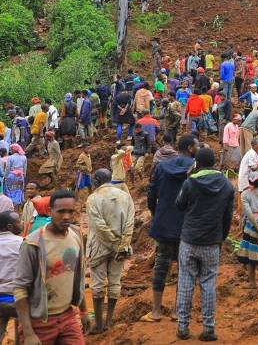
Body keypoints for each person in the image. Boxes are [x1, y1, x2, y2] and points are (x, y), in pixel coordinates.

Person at [14, 189, 91, 344]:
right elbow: (20, 288)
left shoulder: (76, 236)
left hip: (68, 317)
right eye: (61, 212)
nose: (66, 216)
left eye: (71, 211)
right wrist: (28, 333)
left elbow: (78, 277)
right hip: (40, 322)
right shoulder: (33, 243)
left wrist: (83, 311)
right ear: (50, 211)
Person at [175, 147, 235, 341]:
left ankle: (183, 327)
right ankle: (208, 328)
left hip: (189, 240)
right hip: (212, 242)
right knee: (209, 284)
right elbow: (228, 217)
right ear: (214, 163)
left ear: (197, 163)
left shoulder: (190, 182)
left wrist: (188, 178)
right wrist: (221, 237)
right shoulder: (226, 185)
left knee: (186, 282)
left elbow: (179, 205)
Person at [143, 134, 196, 323]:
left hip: (164, 222)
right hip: (187, 225)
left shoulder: (162, 166)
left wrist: (156, 213)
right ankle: (177, 311)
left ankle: (156, 311)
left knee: (161, 266)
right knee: (184, 267)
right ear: (190, 148)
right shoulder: (195, 167)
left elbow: (151, 193)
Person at [85, 169, 135, 334]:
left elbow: (98, 225)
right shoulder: (125, 196)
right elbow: (130, 222)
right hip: (120, 247)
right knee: (115, 282)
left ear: (97, 181)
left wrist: (113, 243)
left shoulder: (93, 198)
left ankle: (98, 325)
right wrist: (123, 244)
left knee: (98, 285)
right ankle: (109, 322)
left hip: (99, 246)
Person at [238, 171, 258, 289]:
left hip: (251, 227)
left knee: (249, 255)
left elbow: (247, 212)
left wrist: (256, 226)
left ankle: (252, 282)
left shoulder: (245, 194)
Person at [0, 210, 22, 343]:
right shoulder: (24, 243)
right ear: (10, 227)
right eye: (18, 222)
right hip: (17, 300)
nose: (21, 224)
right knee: (25, 326)